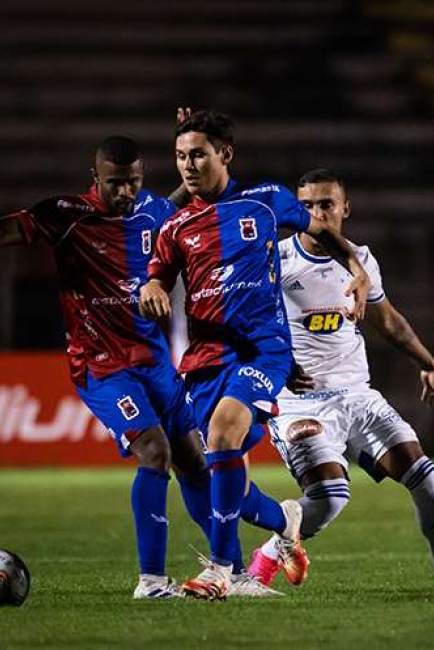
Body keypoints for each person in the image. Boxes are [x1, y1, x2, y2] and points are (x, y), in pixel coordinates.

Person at [0, 120, 218, 599]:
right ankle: (151, 581)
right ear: (94, 177)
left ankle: (230, 568)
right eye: (115, 182)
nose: (125, 191)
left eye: (133, 181)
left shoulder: (153, 211)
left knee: (194, 462)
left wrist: (194, 146)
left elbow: (180, 202)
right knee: (155, 452)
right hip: (102, 365)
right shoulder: (65, 215)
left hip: (156, 362)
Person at [140, 112, 372, 601]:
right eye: (180, 156)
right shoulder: (176, 225)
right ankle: (284, 519)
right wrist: (154, 289)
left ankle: (222, 570)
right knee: (221, 476)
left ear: (225, 154)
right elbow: (157, 274)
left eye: (198, 154)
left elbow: (325, 231)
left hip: (262, 349)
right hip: (206, 358)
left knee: (224, 431)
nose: (187, 165)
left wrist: (356, 267)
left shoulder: (266, 203)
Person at [243, 168, 434, 591]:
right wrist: (274, 361)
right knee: (330, 498)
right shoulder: (274, 259)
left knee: (424, 474)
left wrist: (429, 364)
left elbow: (388, 321)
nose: (316, 213)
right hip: (301, 401)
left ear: (345, 208)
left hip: (357, 395)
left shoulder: (361, 261)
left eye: (326, 205)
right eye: (306, 206)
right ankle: (263, 561)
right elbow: (244, 323)